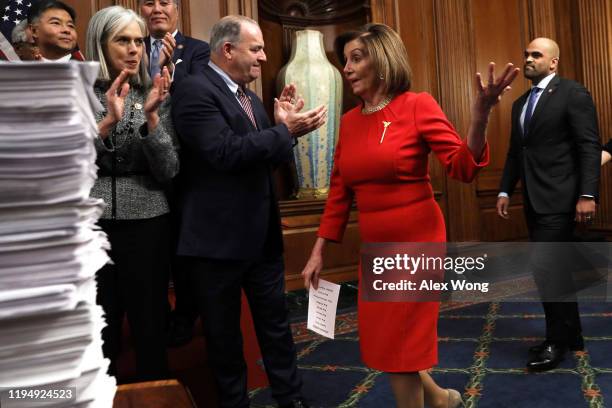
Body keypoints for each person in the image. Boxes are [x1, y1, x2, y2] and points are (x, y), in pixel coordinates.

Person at [301, 23, 518, 408]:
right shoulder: (350, 121)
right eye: (344, 60)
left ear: (382, 62)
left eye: (356, 58)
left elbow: (462, 168)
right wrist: (318, 249)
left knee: (400, 340)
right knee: (388, 338)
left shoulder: (417, 105)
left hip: (416, 238)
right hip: (377, 244)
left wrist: (480, 116)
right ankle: (437, 398)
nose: (347, 68)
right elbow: (339, 191)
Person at [172, 15, 326, 408]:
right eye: (256, 49)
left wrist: (280, 129)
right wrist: (285, 131)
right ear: (227, 50)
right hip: (217, 243)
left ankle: (291, 400)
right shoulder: (193, 90)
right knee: (225, 340)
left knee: (277, 330)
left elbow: (260, 164)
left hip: (261, 240)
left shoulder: (252, 99)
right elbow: (223, 154)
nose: (263, 57)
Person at [496, 38, 601, 371]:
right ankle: (573, 335)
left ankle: (556, 343)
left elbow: (588, 146)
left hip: (562, 199)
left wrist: (588, 194)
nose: (528, 58)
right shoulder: (520, 104)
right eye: (526, 53)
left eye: (536, 55)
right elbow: (516, 153)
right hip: (533, 200)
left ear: (553, 62)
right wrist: (503, 191)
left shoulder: (573, 93)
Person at [86, 5, 178, 381]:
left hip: (148, 223)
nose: (134, 48)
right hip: (91, 227)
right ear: (99, 43)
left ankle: (155, 394)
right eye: (122, 40)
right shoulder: (75, 94)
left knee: (150, 322)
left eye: (139, 40)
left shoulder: (154, 91)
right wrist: (106, 125)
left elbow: (170, 170)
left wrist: (153, 121)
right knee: (99, 325)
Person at [139, 0, 211, 346]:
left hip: (186, 168)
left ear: (177, 8)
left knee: (183, 251)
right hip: (140, 166)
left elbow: (199, 99)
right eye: (148, 2)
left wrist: (166, 67)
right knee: (151, 251)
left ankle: (185, 316)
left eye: (163, 1)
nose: (156, 8)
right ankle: (154, 317)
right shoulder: (130, 46)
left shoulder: (198, 51)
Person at [139, 0, 210, 87]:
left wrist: (170, 70)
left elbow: (198, 90)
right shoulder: (135, 48)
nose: (157, 9)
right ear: (141, 12)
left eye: (164, 3)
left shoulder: (199, 49)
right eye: (149, 4)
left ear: (177, 11)